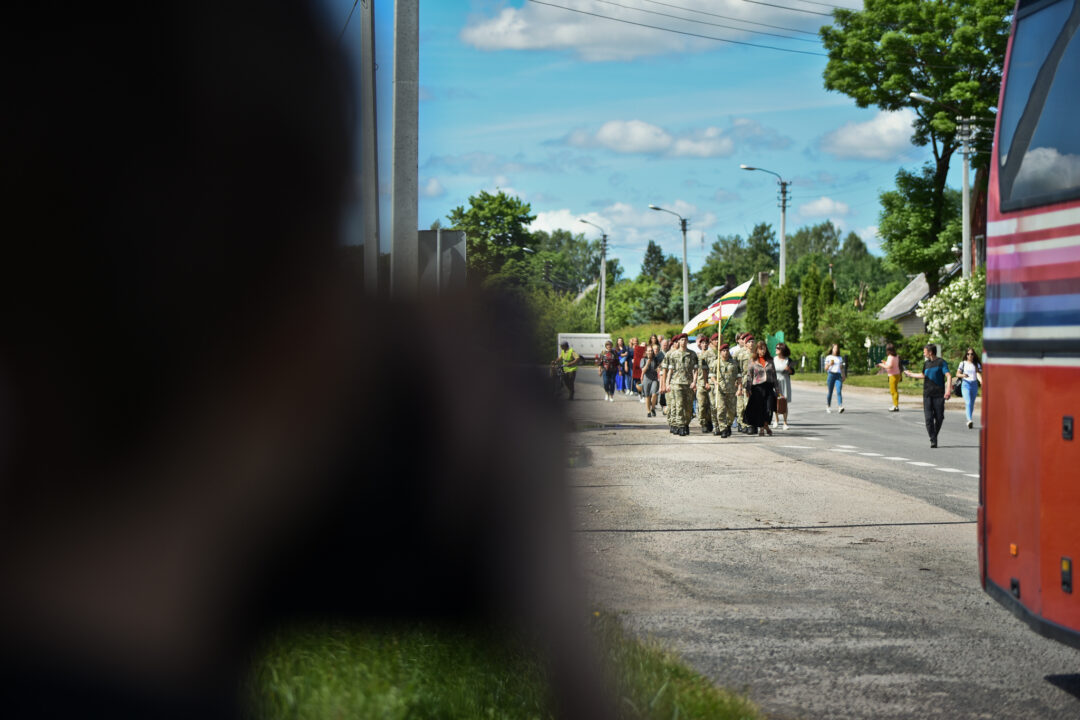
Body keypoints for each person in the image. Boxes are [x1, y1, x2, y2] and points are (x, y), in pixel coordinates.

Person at [904, 344, 953, 448]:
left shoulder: (941, 362)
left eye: (924, 352)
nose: (923, 353)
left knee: (939, 417)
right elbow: (923, 375)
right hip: (927, 394)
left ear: (930, 352)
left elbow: (948, 376)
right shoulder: (926, 363)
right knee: (928, 419)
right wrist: (910, 374)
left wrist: (948, 390)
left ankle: (934, 436)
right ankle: (933, 439)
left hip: (939, 394)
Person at [742, 340, 782, 436]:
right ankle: (762, 428)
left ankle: (766, 425)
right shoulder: (753, 360)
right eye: (760, 349)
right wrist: (748, 388)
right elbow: (749, 375)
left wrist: (777, 390)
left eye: (764, 349)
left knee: (769, 408)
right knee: (759, 409)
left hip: (769, 387)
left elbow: (774, 376)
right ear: (757, 350)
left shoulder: (770, 360)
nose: (762, 351)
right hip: (757, 388)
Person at [660, 334, 697, 436]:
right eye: (682, 340)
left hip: (688, 384)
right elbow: (669, 370)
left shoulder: (692, 354)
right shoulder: (673, 354)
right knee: (679, 405)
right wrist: (666, 384)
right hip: (676, 383)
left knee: (688, 407)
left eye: (685, 340)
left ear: (687, 341)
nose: (683, 342)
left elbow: (695, 369)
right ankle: (680, 426)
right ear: (679, 342)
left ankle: (686, 423)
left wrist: (694, 382)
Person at [707, 342, 741, 437]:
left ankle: (728, 425)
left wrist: (739, 388)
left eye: (727, 350)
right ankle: (723, 428)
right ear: (720, 352)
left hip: (731, 390)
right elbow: (711, 375)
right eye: (723, 351)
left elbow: (739, 376)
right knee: (720, 410)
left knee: (731, 411)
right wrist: (715, 382)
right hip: (720, 390)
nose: (725, 352)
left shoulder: (734, 363)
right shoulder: (716, 363)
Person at [957, 347, 983, 429]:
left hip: (974, 385)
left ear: (974, 355)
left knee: (971, 403)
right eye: (968, 354)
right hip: (965, 384)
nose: (970, 355)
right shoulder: (963, 363)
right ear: (966, 355)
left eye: (971, 354)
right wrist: (963, 375)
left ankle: (969, 420)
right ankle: (969, 420)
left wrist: (981, 381)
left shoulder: (976, 364)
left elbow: (978, 374)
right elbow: (957, 374)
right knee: (968, 402)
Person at [735, 333, 756, 433]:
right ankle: (744, 423)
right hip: (744, 382)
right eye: (749, 342)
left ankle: (753, 424)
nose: (751, 343)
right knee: (743, 404)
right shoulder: (740, 354)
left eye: (753, 342)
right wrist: (737, 382)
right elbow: (737, 370)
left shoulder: (757, 355)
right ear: (746, 343)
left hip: (756, 382)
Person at [695, 334, 714, 434]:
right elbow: (694, 370)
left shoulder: (712, 355)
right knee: (702, 404)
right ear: (700, 344)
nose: (705, 344)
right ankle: (703, 423)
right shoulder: (697, 356)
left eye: (706, 343)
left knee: (710, 404)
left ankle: (709, 421)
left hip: (710, 382)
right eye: (703, 343)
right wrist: (694, 382)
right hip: (700, 383)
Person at [772, 342, 794, 430]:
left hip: (785, 382)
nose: (776, 349)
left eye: (778, 348)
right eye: (776, 348)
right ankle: (776, 420)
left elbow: (793, 372)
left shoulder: (788, 360)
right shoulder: (773, 359)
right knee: (776, 401)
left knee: (784, 402)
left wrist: (789, 370)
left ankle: (785, 422)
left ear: (782, 350)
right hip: (776, 382)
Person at [877, 343, 902, 412]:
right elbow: (892, 364)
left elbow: (889, 366)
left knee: (893, 391)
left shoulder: (890, 357)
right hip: (897, 374)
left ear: (888, 350)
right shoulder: (896, 356)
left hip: (892, 376)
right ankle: (896, 405)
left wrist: (880, 365)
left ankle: (895, 406)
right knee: (895, 391)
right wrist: (885, 362)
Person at [824, 343, 845, 414]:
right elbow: (825, 368)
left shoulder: (840, 358)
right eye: (834, 348)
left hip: (838, 375)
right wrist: (829, 364)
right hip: (831, 375)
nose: (836, 349)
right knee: (830, 392)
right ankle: (828, 406)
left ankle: (840, 406)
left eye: (837, 348)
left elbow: (841, 368)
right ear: (832, 349)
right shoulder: (828, 357)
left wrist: (843, 375)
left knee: (839, 391)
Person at [640, 345, 661, 417]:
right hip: (646, 379)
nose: (650, 352)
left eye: (651, 350)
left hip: (654, 379)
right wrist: (648, 362)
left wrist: (658, 368)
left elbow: (658, 367)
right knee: (647, 395)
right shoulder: (643, 359)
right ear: (646, 352)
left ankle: (653, 408)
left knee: (654, 393)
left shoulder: (655, 359)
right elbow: (643, 370)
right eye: (648, 351)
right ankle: (648, 411)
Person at [657, 338, 669, 415]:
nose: (665, 346)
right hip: (661, 375)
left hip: (668, 375)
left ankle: (667, 407)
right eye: (664, 345)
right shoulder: (658, 355)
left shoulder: (670, 353)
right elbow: (657, 367)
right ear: (661, 345)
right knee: (662, 392)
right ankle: (663, 406)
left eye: (666, 345)